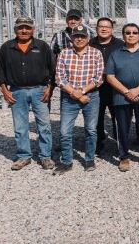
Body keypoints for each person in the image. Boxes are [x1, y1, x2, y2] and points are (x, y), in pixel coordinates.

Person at [0, 17, 55, 171]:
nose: (24, 31)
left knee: (44, 125)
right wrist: (5, 90)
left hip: (39, 90)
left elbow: (53, 69)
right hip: (17, 91)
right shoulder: (7, 47)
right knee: (20, 126)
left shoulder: (42, 47)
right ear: (15, 29)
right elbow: (0, 72)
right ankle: (24, 156)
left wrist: (50, 88)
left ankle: (46, 156)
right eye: (21, 28)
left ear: (33, 30)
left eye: (27, 28)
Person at [105, 23, 139, 172]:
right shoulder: (116, 54)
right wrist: (126, 91)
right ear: (123, 35)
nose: (131, 35)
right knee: (122, 127)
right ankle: (123, 156)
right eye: (127, 32)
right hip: (121, 97)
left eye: (134, 32)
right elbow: (110, 76)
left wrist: (137, 90)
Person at [53, 25, 105, 174]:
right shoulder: (64, 53)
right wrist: (75, 93)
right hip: (69, 97)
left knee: (90, 129)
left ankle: (89, 159)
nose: (79, 39)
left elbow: (99, 78)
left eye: (82, 36)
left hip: (91, 96)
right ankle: (67, 161)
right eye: (76, 36)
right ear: (72, 38)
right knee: (64, 131)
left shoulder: (96, 53)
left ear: (88, 38)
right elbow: (60, 78)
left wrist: (82, 92)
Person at [89, 17, 124, 154]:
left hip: (115, 89)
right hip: (95, 88)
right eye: (101, 26)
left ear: (112, 29)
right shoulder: (90, 44)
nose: (104, 29)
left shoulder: (120, 45)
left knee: (119, 118)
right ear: (96, 28)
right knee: (96, 118)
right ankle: (97, 144)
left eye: (107, 27)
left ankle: (121, 145)